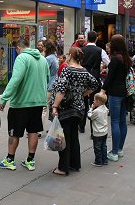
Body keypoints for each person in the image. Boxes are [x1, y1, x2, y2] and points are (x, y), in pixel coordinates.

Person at [0, 39, 49, 171]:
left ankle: (10, 160)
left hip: (21, 103)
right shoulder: (43, 60)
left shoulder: (21, 58)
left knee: (14, 133)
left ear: (18, 48)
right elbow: (47, 79)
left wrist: (4, 99)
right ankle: (30, 160)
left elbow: (15, 79)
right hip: (38, 102)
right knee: (33, 131)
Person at [50, 47, 100, 175]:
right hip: (79, 109)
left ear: (70, 56)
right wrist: (83, 93)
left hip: (66, 108)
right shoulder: (83, 71)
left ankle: (63, 167)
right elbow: (95, 84)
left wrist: (55, 106)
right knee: (73, 137)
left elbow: (61, 90)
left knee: (64, 138)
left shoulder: (67, 70)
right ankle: (75, 164)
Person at [100, 34, 132, 162]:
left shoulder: (115, 59)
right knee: (122, 122)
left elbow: (109, 78)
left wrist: (103, 91)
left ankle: (114, 152)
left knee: (114, 122)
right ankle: (119, 149)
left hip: (115, 93)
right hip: (124, 92)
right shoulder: (125, 58)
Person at [80, 31, 110, 134]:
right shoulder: (100, 50)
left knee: (82, 102)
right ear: (96, 39)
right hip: (95, 77)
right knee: (94, 102)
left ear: (87, 38)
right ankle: (93, 130)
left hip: (83, 78)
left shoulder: (82, 50)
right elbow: (108, 63)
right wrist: (103, 68)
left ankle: (81, 126)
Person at [87, 92, 109, 167]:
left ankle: (98, 161)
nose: (93, 102)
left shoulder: (97, 111)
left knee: (97, 147)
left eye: (94, 100)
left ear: (98, 101)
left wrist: (91, 109)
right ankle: (105, 159)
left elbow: (90, 116)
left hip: (97, 132)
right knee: (104, 146)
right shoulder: (105, 108)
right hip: (104, 131)